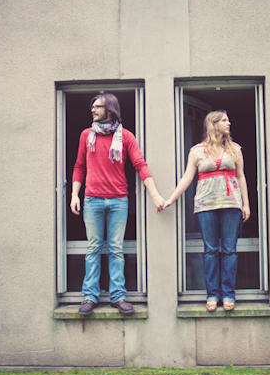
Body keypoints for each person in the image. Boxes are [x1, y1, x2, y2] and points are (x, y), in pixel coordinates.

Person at [71, 93, 165, 316]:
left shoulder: (126, 136)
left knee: (116, 249)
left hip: (118, 200)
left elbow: (140, 165)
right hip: (92, 199)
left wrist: (154, 195)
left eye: (97, 106)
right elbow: (79, 166)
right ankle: (89, 297)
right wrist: (75, 194)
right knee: (93, 248)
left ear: (110, 109)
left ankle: (118, 297)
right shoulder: (86, 135)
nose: (92, 110)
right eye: (91, 106)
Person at [163, 110, 250, 311]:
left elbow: (241, 177)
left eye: (228, 119)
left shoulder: (235, 149)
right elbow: (187, 178)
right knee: (211, 251)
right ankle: (212, 294)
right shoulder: (196, 151)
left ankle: (228, 294)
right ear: (213, 124)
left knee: (229, 251)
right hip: (206, 206)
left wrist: (245, 204)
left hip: (231, 205)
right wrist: (171, 199)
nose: (229, 123)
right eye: (224, 120)